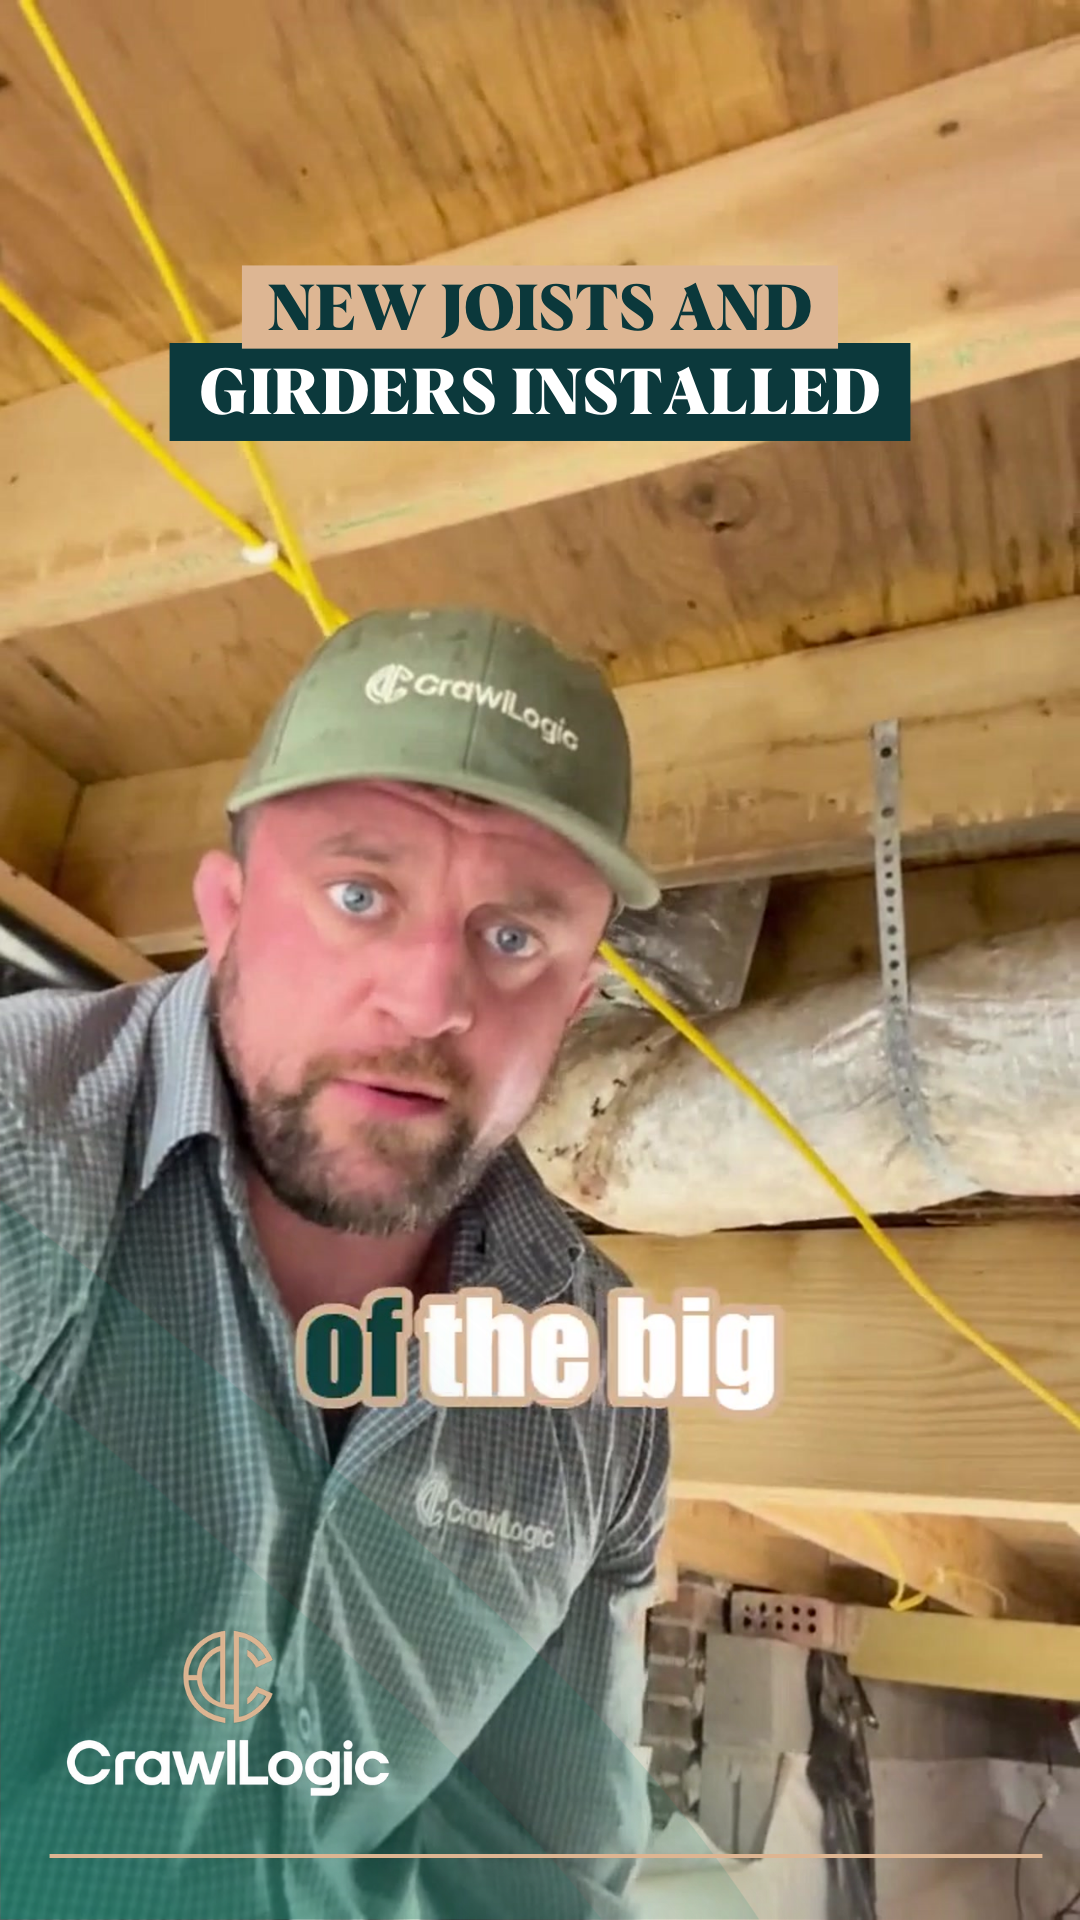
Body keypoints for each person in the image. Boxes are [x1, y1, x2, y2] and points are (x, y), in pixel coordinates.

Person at [0, 608, 672, 1920]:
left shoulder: (597, 1387)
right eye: (360, 895)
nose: (429, 999)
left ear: (579, 997)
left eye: (515, 938)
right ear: (227, 912)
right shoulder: (25, 1161)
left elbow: (540, 1879)